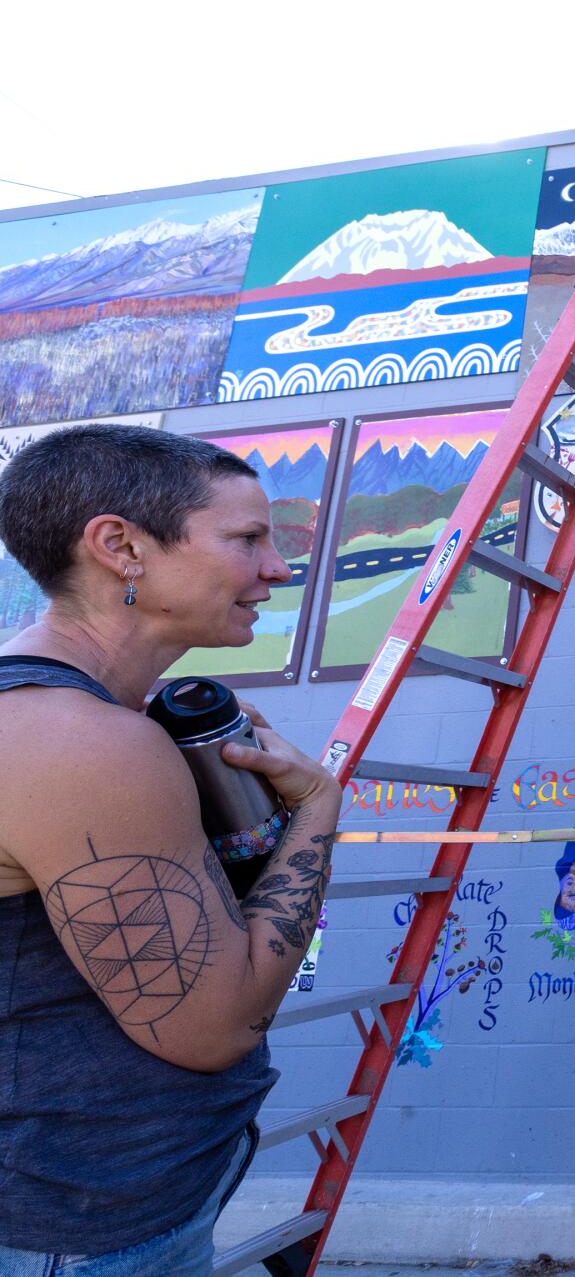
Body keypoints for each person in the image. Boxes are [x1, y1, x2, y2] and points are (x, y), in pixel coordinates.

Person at [0, 424, 341, 1275]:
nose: (277, 567)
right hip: (81, 1231)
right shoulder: (82, 744)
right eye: (247, 539)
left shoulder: (66, 721)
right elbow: (215, 1024)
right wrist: (316, 813)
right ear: (120, 546)